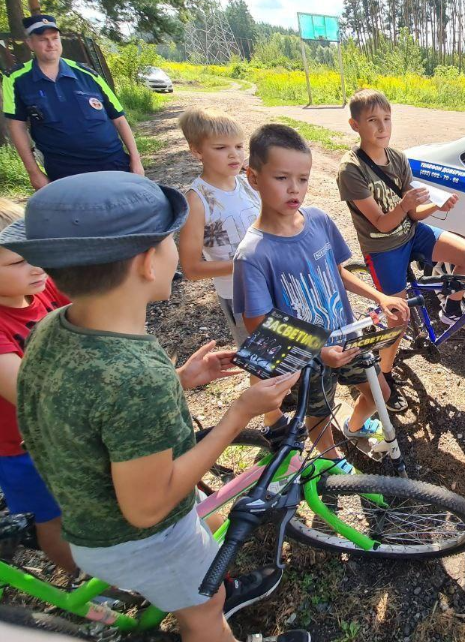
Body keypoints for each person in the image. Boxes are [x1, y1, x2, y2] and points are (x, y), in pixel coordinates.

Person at [0, 172, 310, 642]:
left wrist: (180, 379)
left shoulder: (56, 325)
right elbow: (148, 507)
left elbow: (94, 406)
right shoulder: (132, 375)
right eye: (171, 242)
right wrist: (239, 414)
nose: (177, 252)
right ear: (148, 262)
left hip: (92, 519)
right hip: (145, 539)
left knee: (207, 558)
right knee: (206, 615)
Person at [233, 123, 409, 457]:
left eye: (303, 178)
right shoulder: (253, 253)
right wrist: (318, 351)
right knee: (318, 413)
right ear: (253, 178)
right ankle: (329, 460)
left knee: (380, 393)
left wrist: (380, 297)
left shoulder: (318, 220)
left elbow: (338, 271)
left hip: (346, 337)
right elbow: (257, 322)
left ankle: (354, 426)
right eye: (281, 178)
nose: (294, 189)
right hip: (306, 356)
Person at [336, 89, 465, 411]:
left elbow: (413, 214)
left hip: (412, 233)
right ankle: (384, 374)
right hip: (383, 246)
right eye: (372, 120)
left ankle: (451, 311)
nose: (382, 127)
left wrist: (438, 206)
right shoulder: (351, 170)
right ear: (355, 125)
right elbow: (382, 223)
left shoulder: (398, 158)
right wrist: (406, 204)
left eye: (387, 119)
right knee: (398, 317)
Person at [0, 200, 75, 574]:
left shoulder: (41, 290)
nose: (37, 267)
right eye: (18, 262)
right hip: (22, 445)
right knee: (52, 518)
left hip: (70, 429)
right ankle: (85, 582)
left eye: (38, 253)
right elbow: (32, 395)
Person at [2, 14, 143, 189]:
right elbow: (16, 127)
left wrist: (136, 161)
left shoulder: (88, 74)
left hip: (113, 163)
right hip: (64, 173)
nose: (51, 44)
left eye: (55, 38)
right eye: (43, 39)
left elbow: (119, 119)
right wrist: (34, 172)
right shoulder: (16, 79)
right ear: (30, 43)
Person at [177, 108, 260, 345]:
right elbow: (192, 268)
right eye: (221, 148)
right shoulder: (197, 199)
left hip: (272, 284)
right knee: (263, 362)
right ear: (196, 151)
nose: (234, 155)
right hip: (240, 297)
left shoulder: (248, 185)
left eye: (239, 146)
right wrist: (246, 266)